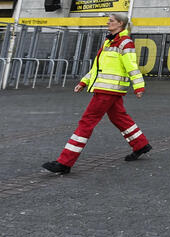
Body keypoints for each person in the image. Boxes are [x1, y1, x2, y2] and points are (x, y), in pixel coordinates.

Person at [43, 12, 152, 174]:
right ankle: (141, 145)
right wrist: (84, 82)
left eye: (111, 21)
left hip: (107, 90)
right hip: (108, 89)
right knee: (119, 118)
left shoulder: (125, 43)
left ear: (120, 24)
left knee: (86, 122)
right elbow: (97, 68)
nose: (108, 23)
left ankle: (65, 162)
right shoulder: (110, 42)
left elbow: (132, 66)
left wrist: (139, 86)